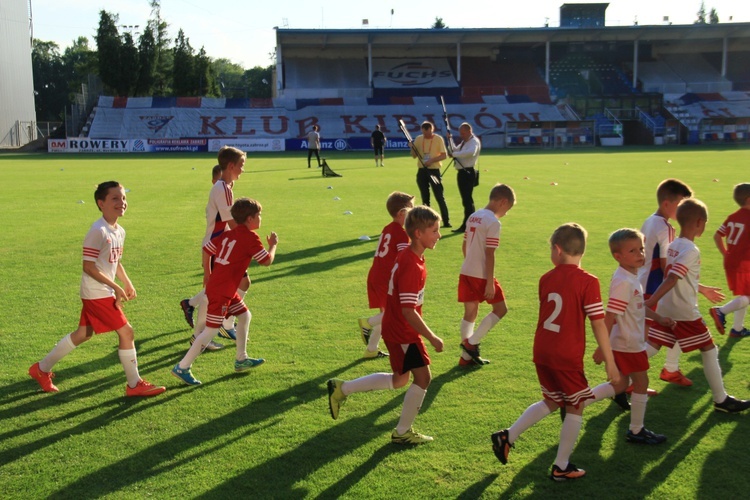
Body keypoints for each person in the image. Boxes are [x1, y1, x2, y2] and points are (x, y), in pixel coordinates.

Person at [490, 223, 620, 481]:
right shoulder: (589, 281)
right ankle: (561, 466)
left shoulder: (546, 278)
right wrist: (610, 361)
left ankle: (508, 436)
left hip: (543, 350)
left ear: (557, 250)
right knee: (577, 405)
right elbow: (597, 323)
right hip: (566, 354)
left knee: (552, 400)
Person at [29, 181, 166, 397]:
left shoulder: (119, 230)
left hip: (101, 291)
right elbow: (88, 267)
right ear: (101, 203)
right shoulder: (97, 231)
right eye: (115, 198)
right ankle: (134, 385)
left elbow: (115, 261)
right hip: (97, 292)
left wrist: (127, 282)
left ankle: (41, 369)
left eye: (123, 198)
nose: (121, 202)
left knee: (83, 334)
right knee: (127, 332)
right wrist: (115, 287)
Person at [328, 206, 445, 445]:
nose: (439, 235)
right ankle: (402, 432)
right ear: (419, 234)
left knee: (400, 379)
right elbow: (408, 310)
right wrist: (432, 337)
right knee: (423, 379)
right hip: (403, 331)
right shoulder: (412, 264)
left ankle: (342, 389)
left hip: (395, 327)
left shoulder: (409, 256)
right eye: (434, 230)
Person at [645, 199, 750, 413]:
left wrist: (702, 289)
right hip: (684, 312)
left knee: (652, 347)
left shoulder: (675, 244)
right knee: (709, 350)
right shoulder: (691, 250)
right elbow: (672, 278)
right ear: (700, 222)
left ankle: (620, 372)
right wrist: (650, 302)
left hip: (667, 308)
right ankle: (721, 400)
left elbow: (675, 276)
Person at [172, 198, 278, 385]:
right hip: (222, 291)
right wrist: (273, 245)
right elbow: (267, 261)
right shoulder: (250, 237)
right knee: (211, 331)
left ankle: (241, 359)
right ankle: (183, 367)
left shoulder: (228, 234)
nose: (261, 218)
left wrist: (208, 273)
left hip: (223, 288)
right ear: (249, 219)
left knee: (245, 316)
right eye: (259, 215)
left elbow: (207, 250)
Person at [588, 229, 672, 444]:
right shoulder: (624, 281)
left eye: (641, 249)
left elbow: (637, 307)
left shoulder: (631, 276)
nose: (640, 254)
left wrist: (658, 317)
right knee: (641, 381)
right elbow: (610, 316)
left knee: (620, 383)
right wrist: (601, 347)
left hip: (627, 341)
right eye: (633, 250)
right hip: (628, 343)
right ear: (618, 257)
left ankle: (579, 401)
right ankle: (636, 430)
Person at [180, 148, 249, 352]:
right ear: (231, 166)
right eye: (241, 166)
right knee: (212, 293)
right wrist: (249, 238)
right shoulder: (223, 189)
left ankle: (224, 325)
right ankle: (199, 336)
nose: (243, 170)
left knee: (242, 282)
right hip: (217, 245)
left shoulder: (225, 186)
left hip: (224, 244)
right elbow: (229, 222)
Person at [638, 178, 694, 386]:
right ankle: (624, 375)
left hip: (643, 284)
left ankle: (669, 369)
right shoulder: (666, 228)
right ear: (667, 204)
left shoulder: (650, 220)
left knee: (657, 334)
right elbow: (666, 264)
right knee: (665, 332)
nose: (684, 209)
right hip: (654, 289)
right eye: (681, 204)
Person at [458, 183, 515, 367]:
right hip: (481, 275)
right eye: (507, 209)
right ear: (502, 202)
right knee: (501, 309)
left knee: (470, 312)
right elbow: (490, 254)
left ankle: (465, 358)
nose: (506, 213)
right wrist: (489, 282)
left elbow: (464, 245)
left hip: (466, 271)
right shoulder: (493, 222)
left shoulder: (473, 216)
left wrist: (469, 262)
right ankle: (471, 343)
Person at [358, 191, 415, 359]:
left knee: (385, 315)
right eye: (411, 210)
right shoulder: (401, 233)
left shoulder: (388, 228)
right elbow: (403, 259)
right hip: (386, 278)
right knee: (393, 313)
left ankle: (371, 350)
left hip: (376, 275)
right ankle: (367, 323)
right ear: (401, 213)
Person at [709, 182, 750, 338]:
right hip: (744, 263)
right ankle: (721, 311)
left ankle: (737, 329)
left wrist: (726, 253)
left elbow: (717, 235)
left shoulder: (733, 217)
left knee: (744, 295)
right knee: (747, 296)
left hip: (731, 261)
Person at [410, 121, 450, 228]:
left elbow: (444, 155)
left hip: (434, 171)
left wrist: (432, 160)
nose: (425, 135)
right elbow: (414, 156)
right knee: (425, 196)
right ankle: (425, 221)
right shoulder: (419, 139)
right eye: (423, 133)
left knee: (439, 196)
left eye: (427, 133)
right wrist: (412, 147)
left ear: (431, 129)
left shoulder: (438, 139)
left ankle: (446, 221)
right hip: (422, 170)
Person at [446, 122, 481, 233]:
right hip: (462, 172)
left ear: (469, 131)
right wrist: (450, 140)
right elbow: (455, 150)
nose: (461, 135)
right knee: (466, 200)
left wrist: (454, 154)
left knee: (467, 200)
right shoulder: (464, 142)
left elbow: (470, 152)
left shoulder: (473, 141)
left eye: (463, 133)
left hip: (467, 172)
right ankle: (471, 223)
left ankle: (466, 225)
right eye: (460, 133)